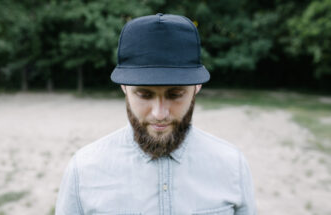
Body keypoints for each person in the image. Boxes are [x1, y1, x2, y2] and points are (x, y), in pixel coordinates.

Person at [55, 13, 256, 215]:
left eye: (175, 94)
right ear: (124, 87)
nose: (160, 114)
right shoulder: (83, 169)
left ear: (197, 86)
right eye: (144, 94)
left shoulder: (232, 165)